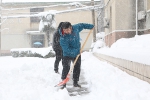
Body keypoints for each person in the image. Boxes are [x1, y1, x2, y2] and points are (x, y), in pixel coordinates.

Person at [59, 22, 94, 88]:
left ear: (71, 27)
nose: (66, 32)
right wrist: (77, 51)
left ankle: (75, 82)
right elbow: (67, 49)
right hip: (67, 54)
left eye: (67, 30)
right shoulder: (62, 38)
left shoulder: (76, 28)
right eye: (64, 30)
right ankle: (64, 83)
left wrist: (90, 26)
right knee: (66, 68)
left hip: (77, 53)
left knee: (77, 68)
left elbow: (83, 25)